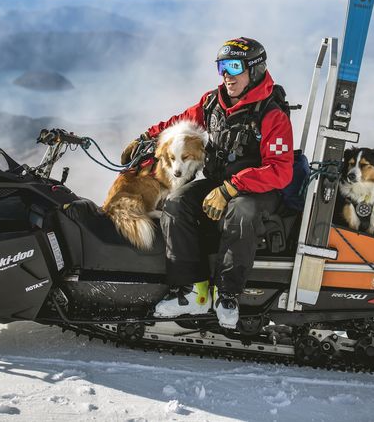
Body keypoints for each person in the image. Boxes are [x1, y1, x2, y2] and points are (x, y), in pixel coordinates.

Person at [120, 37, 293, 328]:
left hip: (258, 189)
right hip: (219, 182)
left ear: (256, 69)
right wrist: (146, 138)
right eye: (222, 67)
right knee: (176, 204)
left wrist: (230, 189)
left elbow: (280, 171)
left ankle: (227, 294)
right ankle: (192, 291)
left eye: (234, 66)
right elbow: (179, 123)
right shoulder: (212, 102)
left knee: (241, 213)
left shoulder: (271, 114)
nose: (227, 74)